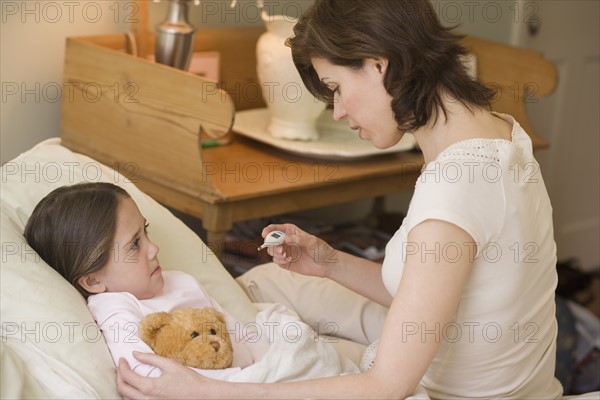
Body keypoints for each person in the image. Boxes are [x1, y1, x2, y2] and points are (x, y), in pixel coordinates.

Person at [116, 0, 563, 398]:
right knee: (271, 284)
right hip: (489, 370)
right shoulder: (496, 132)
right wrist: (329, 262)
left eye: (335, 87)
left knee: (271, 343)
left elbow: (386, 387)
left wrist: (205, 392)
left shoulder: (456, 187)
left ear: (377, 64)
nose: (339, 111)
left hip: (445, 389)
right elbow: (441, 289)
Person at [24, 182, 268, 380]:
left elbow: (240, 332)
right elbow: (144, 373)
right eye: (135, 244)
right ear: (93, 281)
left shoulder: (181, 281)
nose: (154, 248)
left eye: (146, 233)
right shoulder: (116, 308)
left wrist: (272, 363)